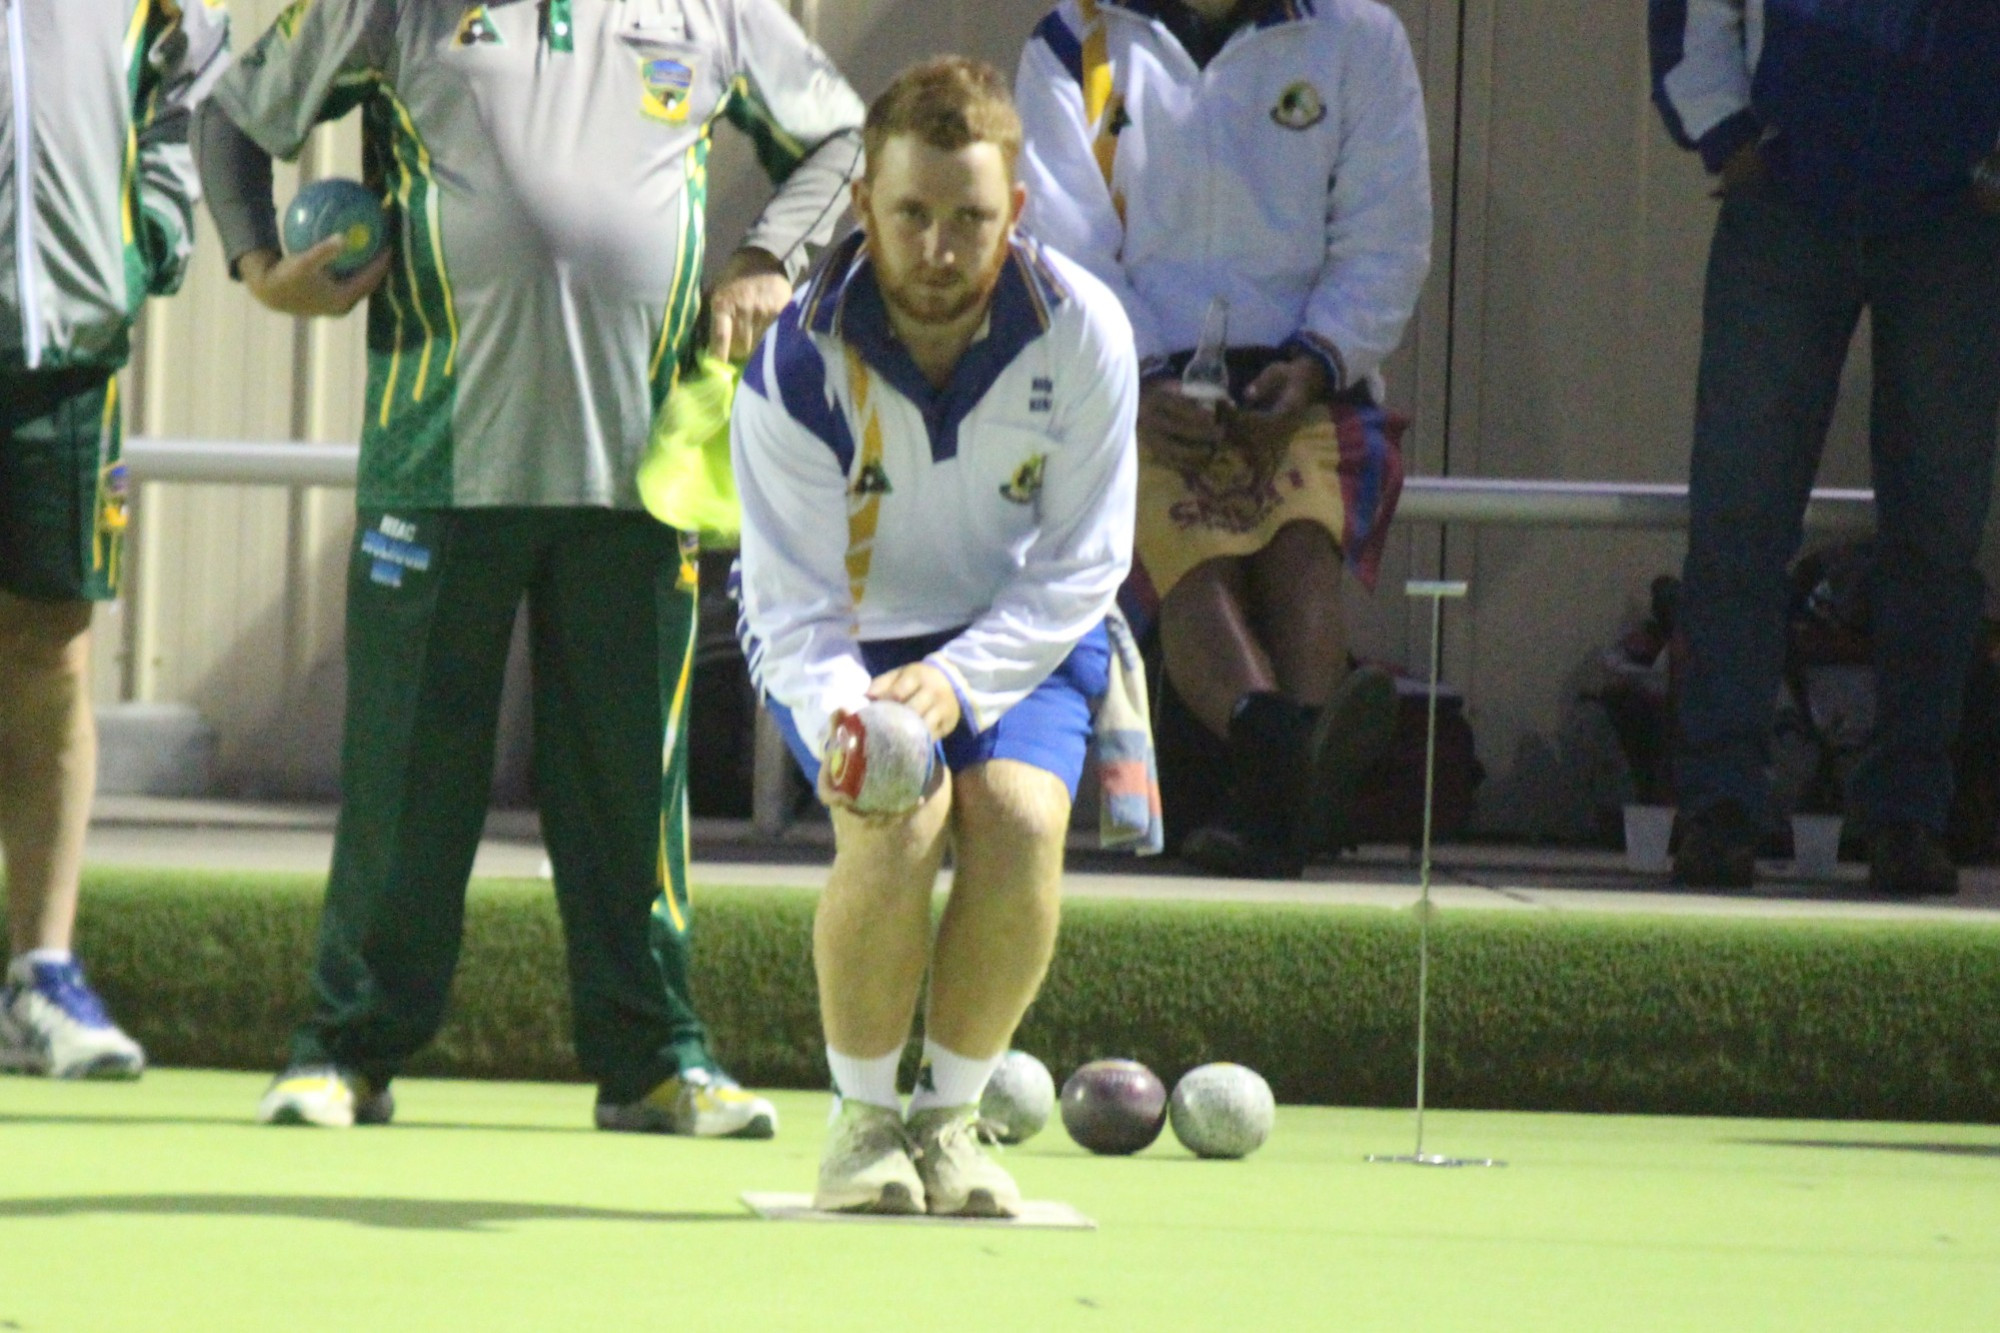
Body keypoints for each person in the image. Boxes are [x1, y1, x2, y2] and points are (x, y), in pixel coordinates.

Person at [193, 0, 864, 1130]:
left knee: (628, 788)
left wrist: (765, 256)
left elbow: (842, 137)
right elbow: (231, 116)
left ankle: (654, 1057)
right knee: (406, 780)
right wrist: (261, 265)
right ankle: (343, 1051)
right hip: (436, 460)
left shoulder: (715, 10)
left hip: (638, 474)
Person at [732, 57, 1137, 1215]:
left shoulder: (1084, 333)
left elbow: (1083, 566)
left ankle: (949, 1122)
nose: (939, 249)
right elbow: (793, 607)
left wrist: (959, 681)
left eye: (970, 218)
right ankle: (863, 1127)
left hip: (1022, 631)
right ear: (862, 206)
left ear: (1016, 211)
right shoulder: (794, 366)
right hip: (845, 644)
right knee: (899, 819)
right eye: (911, 215)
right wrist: (860, 719)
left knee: (1014, 820)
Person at [1013, 0, 1432, 879]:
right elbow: (1060, 242)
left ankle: (1273, 786)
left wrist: (1317, 360)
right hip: (1135, 381)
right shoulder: (1072, 40)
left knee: (1300, 542)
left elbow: (1387, 239)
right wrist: (1145, 375)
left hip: (1307, 374)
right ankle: (1297, 771)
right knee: (1187, 554)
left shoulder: (1358, 38)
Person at [1652, 2, 2000, 896]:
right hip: (1789, 198)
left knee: (1938, 525)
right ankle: (1722, 802)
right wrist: (1728, 136)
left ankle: (1909, 812)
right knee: (1739, 512)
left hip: (1953, 211)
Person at [1, 0, 231, 1080]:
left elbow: (184, 74)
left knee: (53, 654)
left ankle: (40, 974)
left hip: (68, 354)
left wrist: (154, 232)